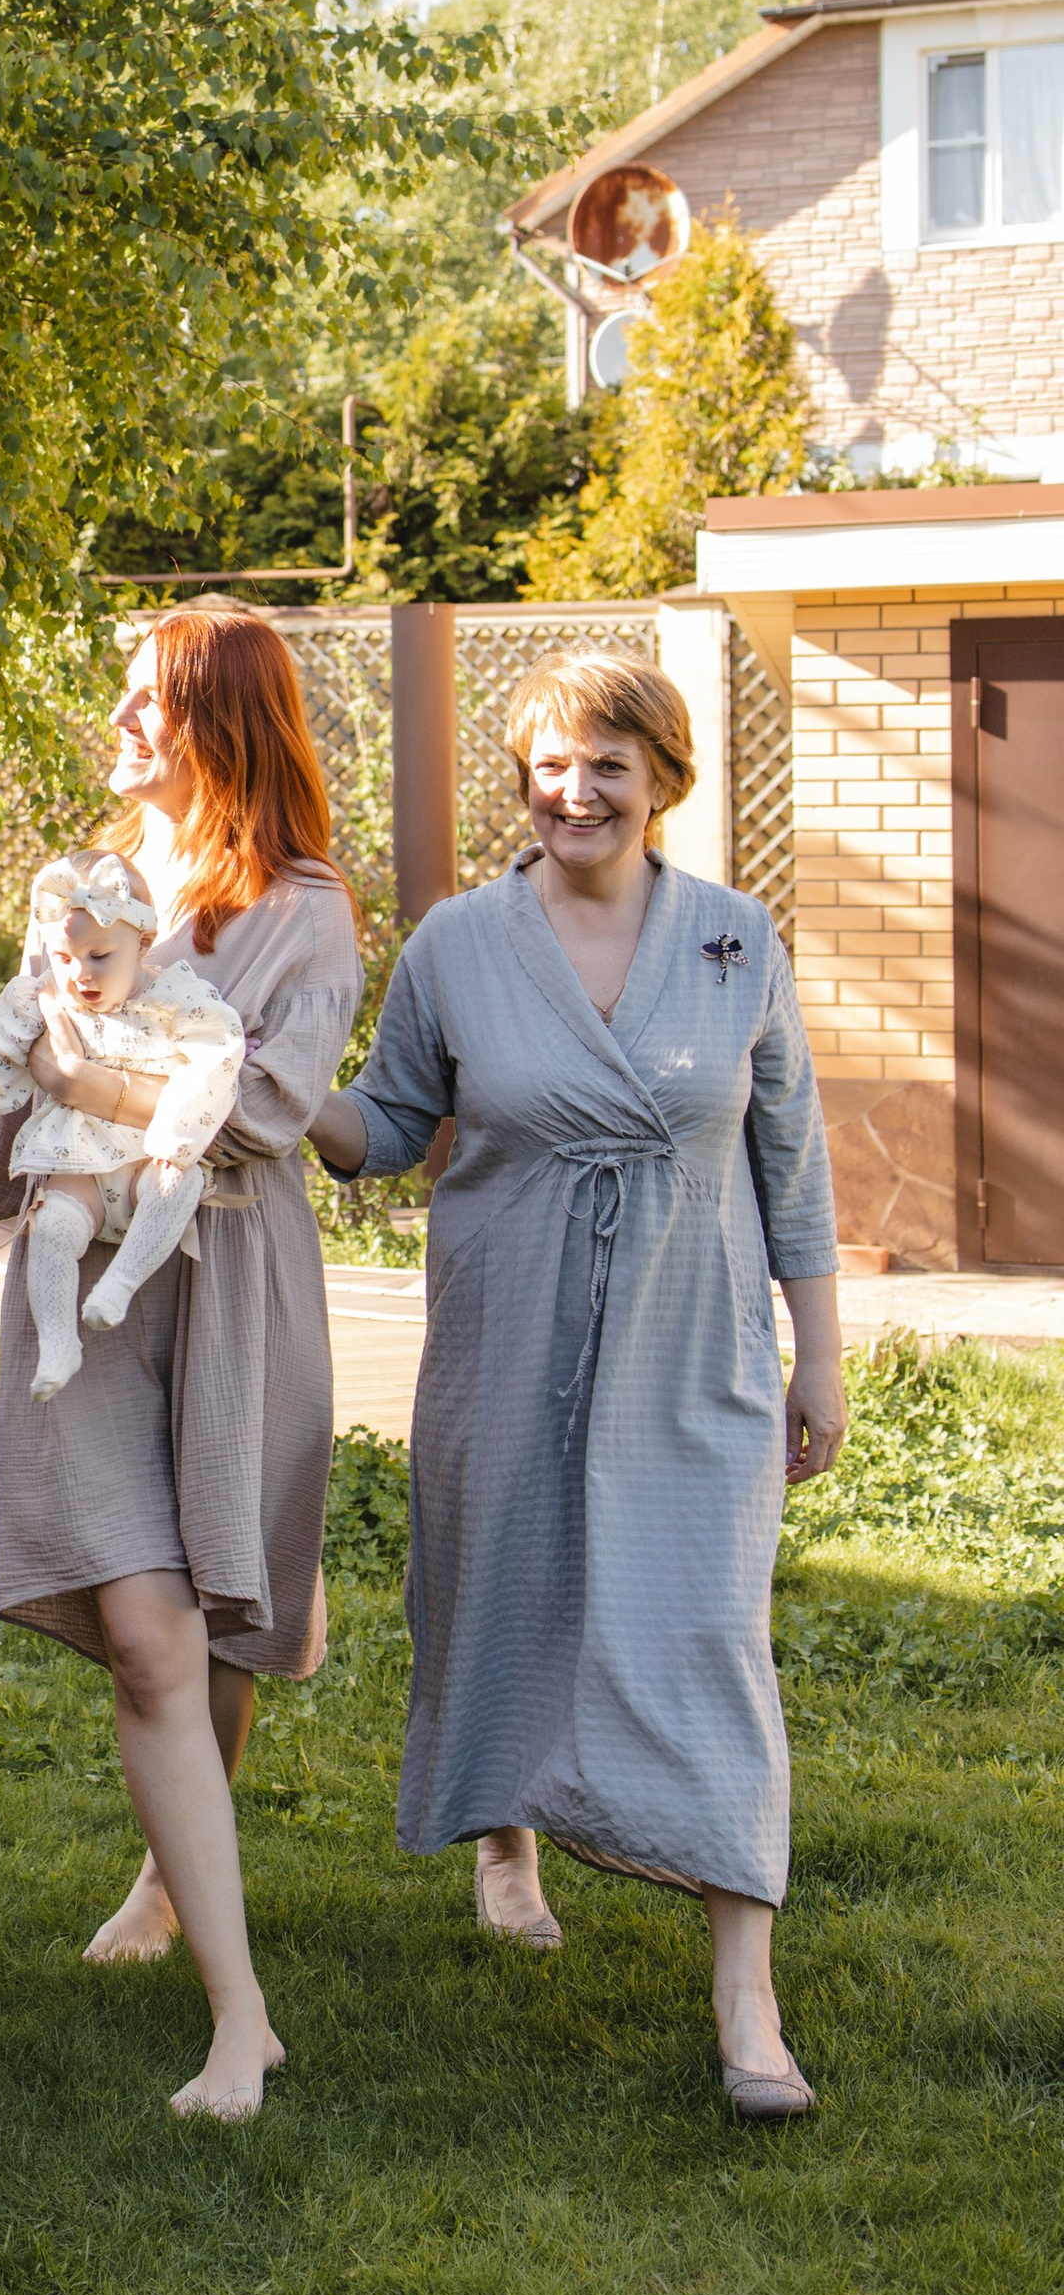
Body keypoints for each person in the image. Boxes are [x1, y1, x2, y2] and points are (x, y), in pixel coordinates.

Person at [304, 651, 843, 2120]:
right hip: (509, 1331)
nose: (575, 791)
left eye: (608, 763)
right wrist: (276, 1093)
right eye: (550, 763)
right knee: (502, 1591)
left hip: (696, 1341)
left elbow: (789, 1160)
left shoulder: (736, 941)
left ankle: (748, 1997)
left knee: (708, 1635)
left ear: (663, 778)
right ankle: (508, 1841)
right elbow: (395, 1119)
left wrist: (824, 1359)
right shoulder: (461, 945)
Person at [0, 604, 362, 2120]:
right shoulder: (88, 891)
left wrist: (89, 1075)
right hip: (95, 1299)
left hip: (233, 1284)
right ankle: (240, 2017)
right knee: (150, 1635)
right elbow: (10, 1093)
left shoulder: (306, 913)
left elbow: (257, 1113)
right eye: (121, 695)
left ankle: (166, 1874)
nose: (121, 721)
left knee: (210, 1612)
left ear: (225, 725)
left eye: (150, 699)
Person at [0, 846, 245, 1398]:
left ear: (143, 943)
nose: (79, 973)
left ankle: (121, 1283)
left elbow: (217, 1056)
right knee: (52, 1230)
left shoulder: (174, 997)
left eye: (99, 956)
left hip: (146, 1156)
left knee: (177, 1181)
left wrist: (177, 1132)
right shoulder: (39, 996)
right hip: (78, 1164)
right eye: (63, 958)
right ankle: (59, 1342)